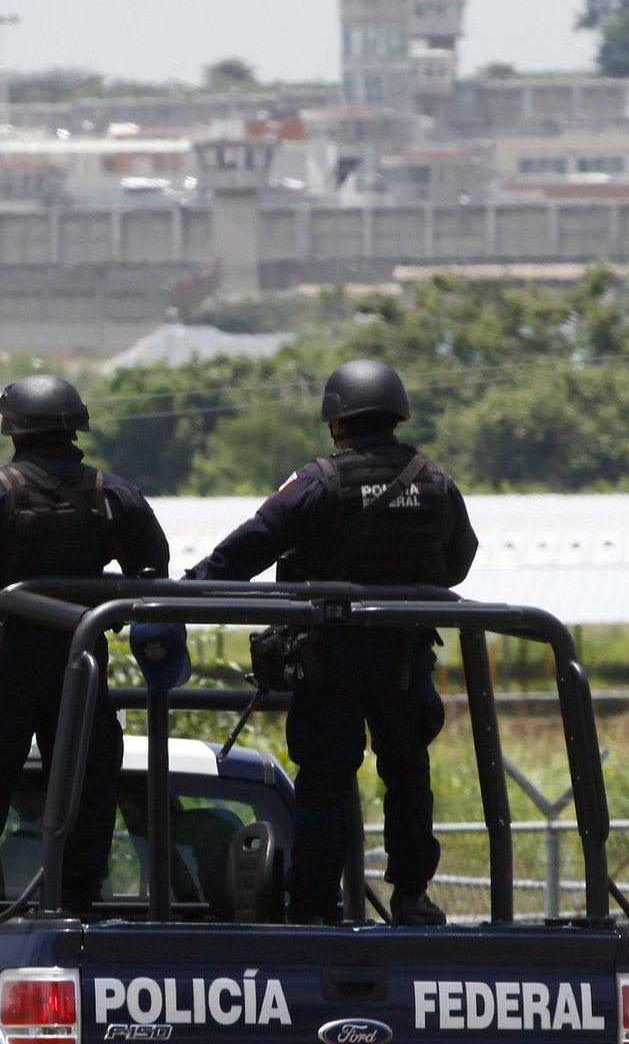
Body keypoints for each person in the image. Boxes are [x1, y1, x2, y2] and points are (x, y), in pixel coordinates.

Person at [184, 359, 478, 926]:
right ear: (396, 414)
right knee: (408, 773)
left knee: (324, 780)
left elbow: (253, 543)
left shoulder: (320, 481)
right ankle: (412, 896)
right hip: (403, 657)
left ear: (336, 420)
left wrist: (188, 591)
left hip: (330, 658)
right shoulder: (436, 482)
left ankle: (314, 907)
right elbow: (458, 562)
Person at [0, 374, 172, 914]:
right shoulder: (117, 495)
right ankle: (76, 905)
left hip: (1, 671)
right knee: (86, 791)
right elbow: (152, 574)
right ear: (75, 427)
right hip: (79, 668)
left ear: (12, 428)